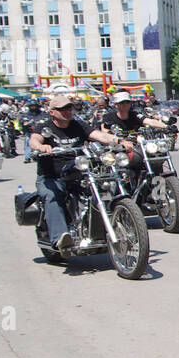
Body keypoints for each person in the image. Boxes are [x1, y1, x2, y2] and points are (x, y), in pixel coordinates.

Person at [29, 93, 130, 252]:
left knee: (102, 188)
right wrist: (40, 147)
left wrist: (119, 141)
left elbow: (99, 136)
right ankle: (60, 238)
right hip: (52, 176)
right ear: (52, 112)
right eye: (62, 109)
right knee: (52, 196)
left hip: (78, 172)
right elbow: (34, 139)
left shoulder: (78, 125)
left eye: (69, 108)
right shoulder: (45, 127)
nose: (67, 111)